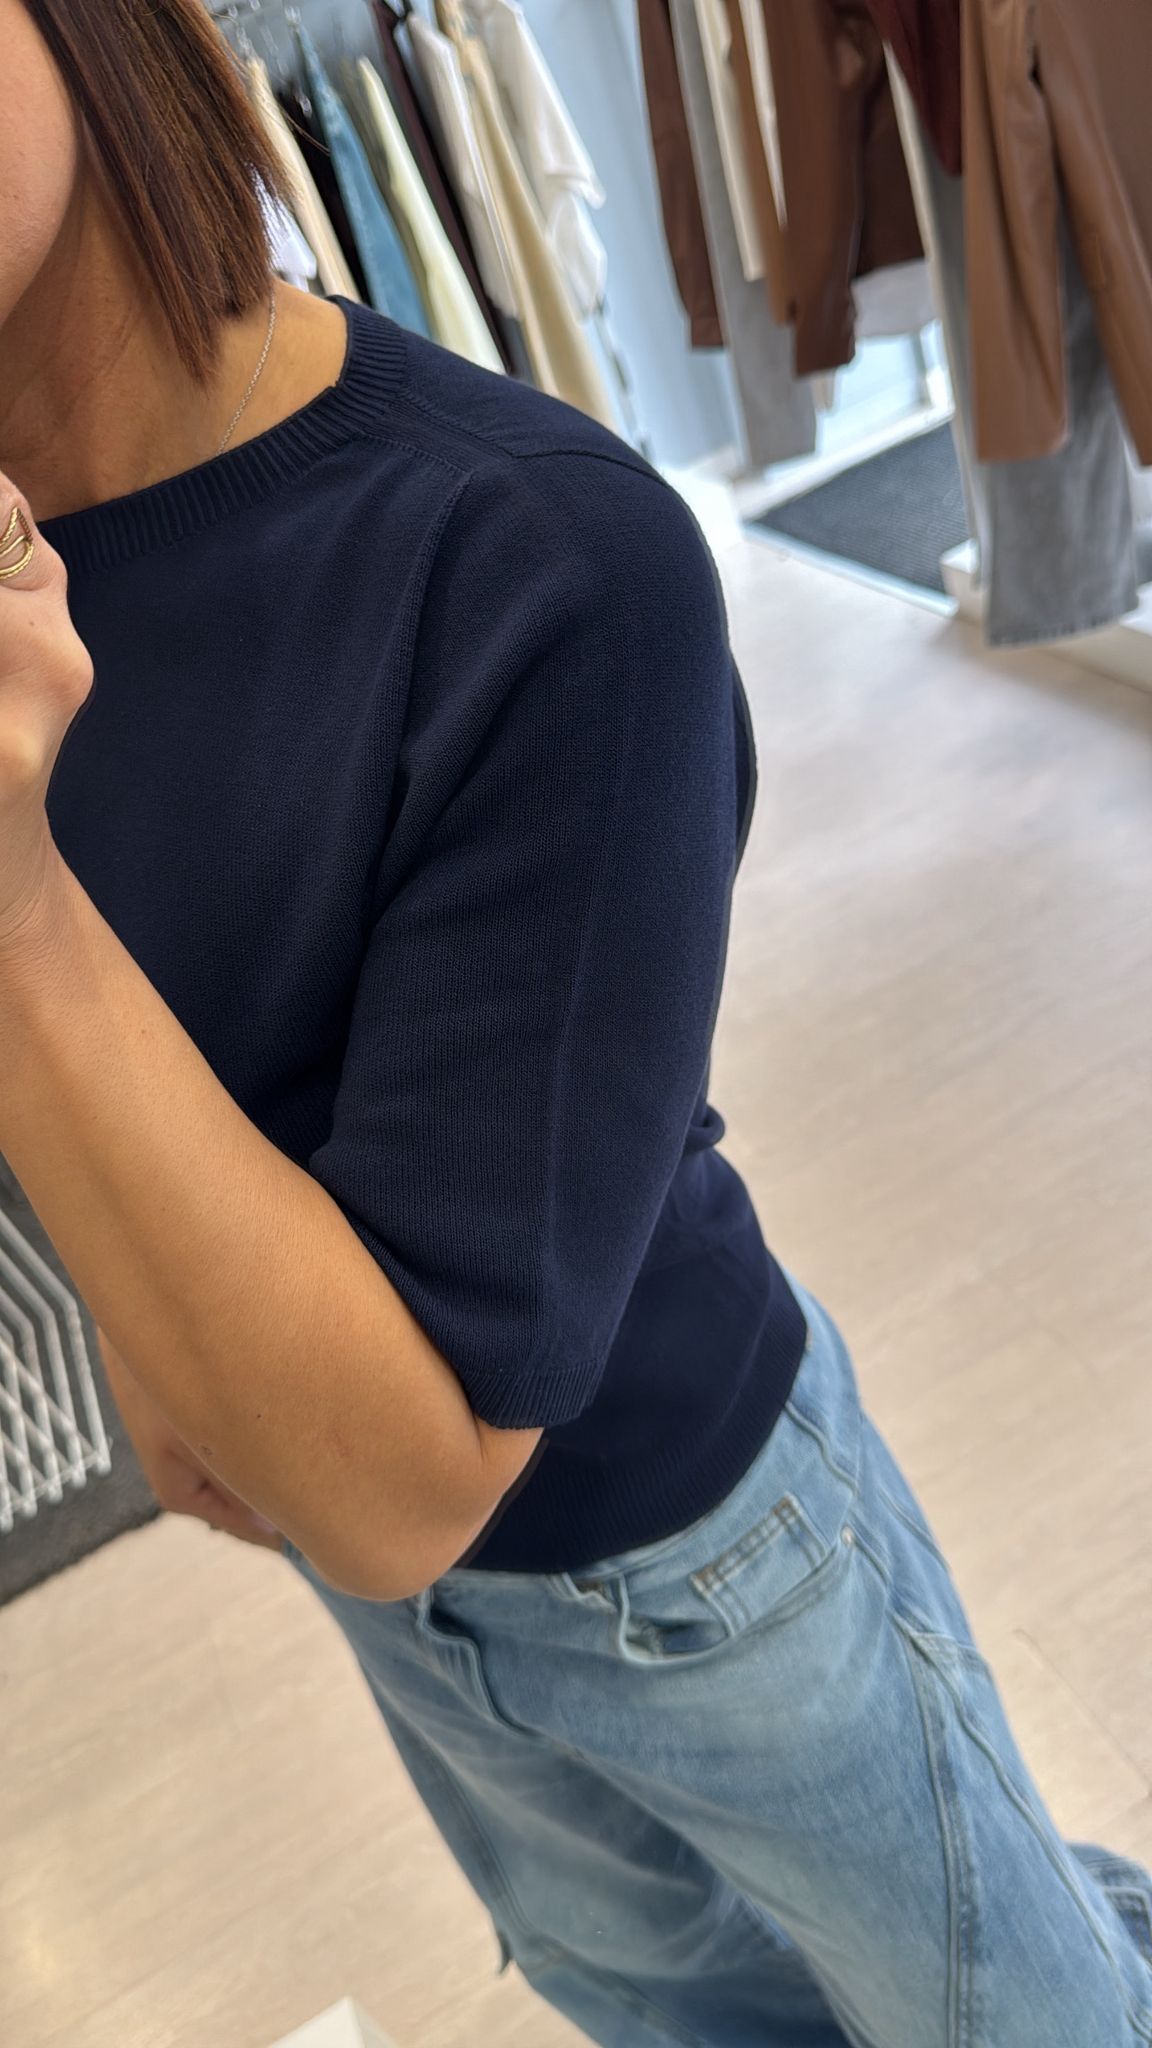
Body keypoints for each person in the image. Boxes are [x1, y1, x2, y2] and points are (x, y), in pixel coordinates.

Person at [0, 4, 1148, 2043]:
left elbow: (406, 1469)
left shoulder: (541, 555)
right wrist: (146, 1321)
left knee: (1010, 2006)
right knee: (675, 2008)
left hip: (693, 1540)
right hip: (398, 1604)